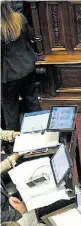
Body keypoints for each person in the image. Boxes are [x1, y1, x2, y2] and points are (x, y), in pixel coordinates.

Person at [1, 2, 41, 131]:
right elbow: (30, 36)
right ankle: (40, 132)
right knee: (32, 101)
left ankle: (13, 142)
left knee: (10, 109)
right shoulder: (20, 19)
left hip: (7, 75)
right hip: (27, 66)